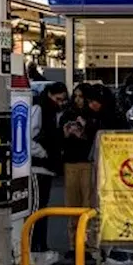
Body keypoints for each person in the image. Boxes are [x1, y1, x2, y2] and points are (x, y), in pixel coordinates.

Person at [29, 82, 69, 253]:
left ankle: (40, 245)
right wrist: (43, 153)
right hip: (39, 167)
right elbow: (28, 138)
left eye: (63, 100)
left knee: (41, 210)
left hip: (46, 166)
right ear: (50, 95)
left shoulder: (52, 112)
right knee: (37, 210)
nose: (60, 103)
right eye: (58, 99)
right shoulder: (40, 109)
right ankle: (35, 246)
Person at [60, 83, 96, 255]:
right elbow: (60, 135)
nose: (77, 100)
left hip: (87, 162)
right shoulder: (67, 114)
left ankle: (88, 243)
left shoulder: (93, 116)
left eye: (81, 96)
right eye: (75, 96)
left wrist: (85, 126)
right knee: (72, 204)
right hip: (70, 161)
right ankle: (73, 244)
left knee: (87, 203)